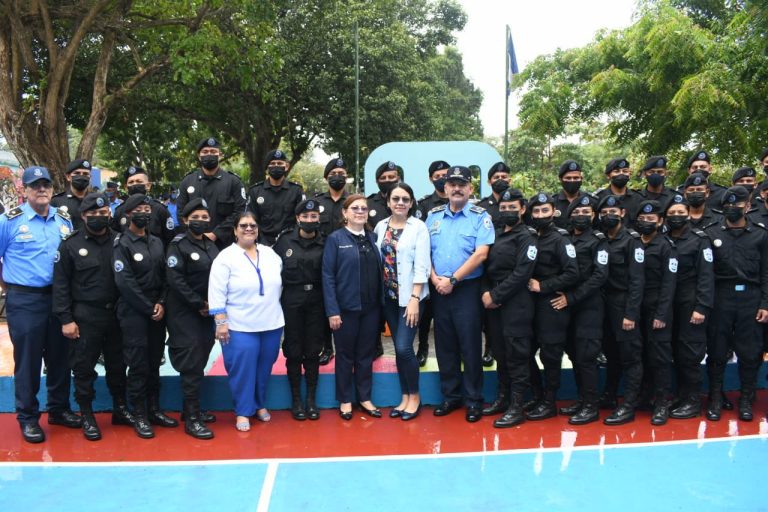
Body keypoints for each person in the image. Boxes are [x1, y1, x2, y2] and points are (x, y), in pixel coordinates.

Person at [0, 166, 80, 444]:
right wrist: (9, 289)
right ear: (25, 190)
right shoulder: (8, 221)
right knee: (29, 360)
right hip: (25, 300)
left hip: (59, 299)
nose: (42, 189)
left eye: (46, 184)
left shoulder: (64, 221)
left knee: (60, 358)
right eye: (35, 185)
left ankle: (59, 410)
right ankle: (28, 417)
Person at [52, 192, 131, 441]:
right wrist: (66, 319)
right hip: (85, 317)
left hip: (116, 315)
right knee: (84, 369)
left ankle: (120, 408)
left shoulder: (120, 242)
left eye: (103, 213)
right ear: (83, 216)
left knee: (118, 366)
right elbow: (61, 285)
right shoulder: (70, 244)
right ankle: (87, 415)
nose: (99, 217)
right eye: (93, 214)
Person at [426, 165, 494, 423]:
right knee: (445, 346)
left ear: (470, 188)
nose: (456, 188)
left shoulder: (480, 216)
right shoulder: (432, 217)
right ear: (445, 188)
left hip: (466, 289)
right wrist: (435, 278)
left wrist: (453, 279)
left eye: (461, 184)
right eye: (451, 184)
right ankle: (451, 396)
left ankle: (474, 399)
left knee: (469, 346)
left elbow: (481, 254)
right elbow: (426, 252)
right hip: (439, 288)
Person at [208, 212, 285, 431]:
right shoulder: (225, 257)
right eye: (243, 225)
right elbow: (216, 290)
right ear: (235, 230)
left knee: (264, 368)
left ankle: (259, 404)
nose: (248, 228)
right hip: (239, 325)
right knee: (242, 370)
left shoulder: (270, 254)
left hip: (271, 323)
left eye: (253, 225)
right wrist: (220, 322)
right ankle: (243, 410)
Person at [113, 194, 175, 439]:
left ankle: (154, 410)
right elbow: (124, 282)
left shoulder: (157, 242)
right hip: (134, 312)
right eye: (138, 209)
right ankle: (139, 414)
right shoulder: (122, 244)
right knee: (138, 365)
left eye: (147, 209)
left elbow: (165, 277)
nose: (144, 213)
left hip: (156, 311)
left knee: (153, 362)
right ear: (128, 214)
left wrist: (160, 302)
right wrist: (149, 307)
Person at [704, 186, 768, 422]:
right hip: (721, 298)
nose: (732, 209)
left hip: (750, 298)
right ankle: (715, 398)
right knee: (717, 350)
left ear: (748, 206)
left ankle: (746, 399)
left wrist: (765, 303)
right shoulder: (711, 234)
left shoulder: (760, 235)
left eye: (738, 205)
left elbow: (766, 273)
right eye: (728, 205)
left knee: (750, 353)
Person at [480, 188, 537, 428]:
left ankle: (517, 406)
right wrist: (486, 293)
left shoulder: (527, 237)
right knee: (501, 355)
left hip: (516, 304)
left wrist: (496, 295)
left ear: (522, 209)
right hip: (493, 305)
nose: (507, 212)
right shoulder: (495, 234)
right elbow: (484, 265)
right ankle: (502, 399)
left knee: (517, 357)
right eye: (503, 208)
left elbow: (523, 272)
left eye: (512, 208)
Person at [322, 195, 383, 420]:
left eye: (363, 208)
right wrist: (332, 310)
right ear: (345, 213)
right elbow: (328, 276)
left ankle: (365, 398)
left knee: (365, 355)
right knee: (345, 356)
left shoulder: (372, 238)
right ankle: (346, 400)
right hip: (345, 310)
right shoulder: (335, 239)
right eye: (355, 208)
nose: (360, 211)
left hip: (371, 309)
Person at [374, 183, 431, 421]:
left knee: (405, 347)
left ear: (411, 203)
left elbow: (422, 265)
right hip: (388, 298)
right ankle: (404, 396)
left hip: (411, 298)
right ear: (388, 202)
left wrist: (415, 298)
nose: (400, 203)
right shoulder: (380, 226)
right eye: (396, 199)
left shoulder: (418, 227)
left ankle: (415, 397)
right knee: (399, 350)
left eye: (405, 199)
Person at [165, 198, 220, 439]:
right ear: (185, 220)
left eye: (204, 217)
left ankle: (192, 410)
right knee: (190, 363)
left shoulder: (210, 245)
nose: (200, 221)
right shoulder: (178, 246)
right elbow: (176, 281)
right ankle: (192, 417)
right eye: (195, 218)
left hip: (207, 313)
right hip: (185, 313)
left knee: (200, 360)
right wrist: (199, 304)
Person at [525, 192, 580, 420]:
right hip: (530, 305)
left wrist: (544, 286)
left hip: (551, 305)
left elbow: (573, 273)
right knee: (526, 352)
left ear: (553, 211)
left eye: (544, 211)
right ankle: (537, 396)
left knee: (550, 355)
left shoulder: (561, 239)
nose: (540, 215)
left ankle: (549, 402)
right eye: (536, 211)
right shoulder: (530, 236)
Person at [557, 195, 609, 425]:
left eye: (586, 213)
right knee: (575, 355)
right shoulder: (565, 239)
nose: (581, 216)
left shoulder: (599, 241)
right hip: (567, 306)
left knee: (587, 356)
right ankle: (582, 399)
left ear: (594, 216)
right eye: (577, 213)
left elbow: (600, 275)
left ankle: (591, 406)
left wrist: (573, 297)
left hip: (589, 305)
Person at [273, 200, 326, 421]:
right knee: (293, 351)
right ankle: (296, 400)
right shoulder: (284, 241)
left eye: (314, 217)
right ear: (298, 218)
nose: (310, 221)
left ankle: (311, 400)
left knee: (313, 351)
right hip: (291, 299)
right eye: (306, 217)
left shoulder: (326, 242)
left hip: (317, 299)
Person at [664, 195, 714, 419]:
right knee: (674, 350)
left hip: (690, 302)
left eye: (680, 213)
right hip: (668, 304)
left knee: (690, 353)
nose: (676, 217)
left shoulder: (699, 239)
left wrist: (701, 307)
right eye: (672, 213)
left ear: (688, 214)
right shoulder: (663, 238)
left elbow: (706, 276)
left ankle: (693, 401)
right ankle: (681, 396)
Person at [596, 195, 645, 425]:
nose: (609, 216)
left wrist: (631, 314)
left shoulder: (632, 241)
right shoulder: (602, 239)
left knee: (630, 356)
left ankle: (629, 404)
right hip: (604, 305)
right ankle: (610, 395)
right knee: (611, 354)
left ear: (623, 213)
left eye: (613, 212)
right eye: (604, 212)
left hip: (624, 304)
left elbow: (638, 281)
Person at [634, 200, 677, 425]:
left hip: (657, 308)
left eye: (651, 219)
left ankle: (662, 403)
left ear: (660, 222)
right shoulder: (635, 243)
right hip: (636, 308)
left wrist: (661, 314)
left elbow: (669, 284)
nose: (646, 222)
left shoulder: (666, 246)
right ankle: (645, 395)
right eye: (642, 219)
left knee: (659, 357)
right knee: (641, 354)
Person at [177, 137, 247, 249]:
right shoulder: (187, 181)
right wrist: (194, 235)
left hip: (225, 244)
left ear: (220, 155)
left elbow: (239, 211)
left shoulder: (233, 182)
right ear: (199, 156)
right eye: (205, 152)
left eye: (213, 151)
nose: (209, 154)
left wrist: (216, 234)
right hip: (193, 244)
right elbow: (181, 212)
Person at [414, 160, 450, 367]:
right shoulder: (424, 204)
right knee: (426, 313)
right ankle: (423, 346)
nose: (442, 178)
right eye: (437, 175)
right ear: (431, 179)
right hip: (429, 265)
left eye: (445, 174)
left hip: (453, 269)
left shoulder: (459, 200)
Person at [314, 157, 349, 366]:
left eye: (342, 173)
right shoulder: (317, 202)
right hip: (322, 260)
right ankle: (327, 347)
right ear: (327, 177)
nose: (338, 177)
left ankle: (346, 346)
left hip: (347, 261)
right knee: (325, 305)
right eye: (334, 174)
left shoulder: (353, 202)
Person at [246, 149, 305, 245]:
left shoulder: (296, 191)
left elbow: (301, 219)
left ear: (286, 166)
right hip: (261, 243)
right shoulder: (255, 191)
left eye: (279, 163)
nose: (276, 166)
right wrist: (262, 242)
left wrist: (290, 240)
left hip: (290, 242)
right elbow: (250, 219)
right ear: (267, 167)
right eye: (272, 163)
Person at [113, 166, 175, 246]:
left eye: (139, 181)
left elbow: (170, 239)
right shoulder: (120, 211)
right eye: (131, 182)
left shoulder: (160, 210)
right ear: (126, 188)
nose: (135, 184)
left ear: (148, 186)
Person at [594, 158, 642, 224]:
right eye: (616, 171)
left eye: (625, 171)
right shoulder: (598, 198)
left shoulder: (638, 198)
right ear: (608, 176)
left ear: (629, 174)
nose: (621, 174)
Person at [51, 158, 93, 231]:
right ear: (68, 177)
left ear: (90, 178)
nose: (81, 176)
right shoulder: (56, 202)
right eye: (77, 173)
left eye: (85, 174)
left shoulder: (96, 200)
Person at [552, 160, 590, 229]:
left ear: (581, 179)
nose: (572, 181)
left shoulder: (591, 201)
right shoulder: (552, 202)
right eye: (568, 178)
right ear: (560, 179)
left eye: (576, 178)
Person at [366, 161, 400, 229]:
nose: (387, 180)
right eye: (383, 178)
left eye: (391, 177)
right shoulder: (368, 204)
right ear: (376, 181)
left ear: (398, 179)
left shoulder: (407, 201)